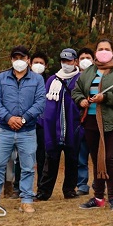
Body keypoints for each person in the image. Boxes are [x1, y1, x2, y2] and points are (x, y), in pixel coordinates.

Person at [73, 39, 113, 211]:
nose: (103, 51)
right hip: (90, 121)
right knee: (96, 158)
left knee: (109, 158)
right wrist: (81, 100)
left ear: (112, 52)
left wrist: (105, 98)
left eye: (107, 49)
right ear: (95, 52)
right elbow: (76, 90)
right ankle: (98, 196)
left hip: (111, 122)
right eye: (100, 49)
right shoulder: (89, 71)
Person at [0, 45, 45, 213]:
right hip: (5, 130)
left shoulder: (37, 80)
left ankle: (26, 199)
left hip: (27, 131)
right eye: (15, 58)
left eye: (22, 57)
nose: (19, 61)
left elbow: (40, 103)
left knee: (27, 167)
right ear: (11, 60)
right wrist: (9, 118)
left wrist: (24, 118)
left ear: (28, 59)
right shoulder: (1, 78)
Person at [37, 48, 83, 200]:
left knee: (72, 161)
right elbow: (44, 102)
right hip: (53, 128)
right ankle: (44, 192)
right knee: (50, 161)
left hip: (73, 127)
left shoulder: (81, 79)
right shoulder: (52, 80)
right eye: (63, 61)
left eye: (69, 61)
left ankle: (69, 190)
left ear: (75, 61)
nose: (66, 64)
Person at [75, 48, 95, 195]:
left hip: (95, 121)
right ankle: (82, 184)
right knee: (81, 157)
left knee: (96, 156)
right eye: (82, 57)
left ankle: (98, 184)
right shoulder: (74, 78)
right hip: (78, 123)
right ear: (77, 61)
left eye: (88, 57)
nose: (85, 60)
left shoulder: (99, 76)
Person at [30, 52, 50, 195]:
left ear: (46, 66)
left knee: (42, 157)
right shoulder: (25, 81)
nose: (38, 65)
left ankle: (41, 187)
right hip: (27, 124)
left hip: (43, 124)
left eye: (41, 63)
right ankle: (20, 187)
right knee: (24, 157)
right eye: (35, 62)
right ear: (30, 64)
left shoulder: (50, 82)